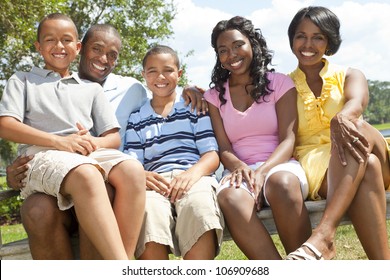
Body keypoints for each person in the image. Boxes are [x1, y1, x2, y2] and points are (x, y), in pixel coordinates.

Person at [5, 23, 205, 259]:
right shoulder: (27, 81)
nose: (103, 59)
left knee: (129, 171)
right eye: (97, 49)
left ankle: (119, 263)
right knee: (43, 206)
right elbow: (10, 124)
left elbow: (161, 89)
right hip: (60, 169)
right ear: (83, 49)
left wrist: (188, 89)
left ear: (75, 47)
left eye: (112, 55)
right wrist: (55, 146)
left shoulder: (128, 88)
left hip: (100, 173)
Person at [0, 13, 146, 260]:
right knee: (88, 174)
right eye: (50, 40)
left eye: (66, 40)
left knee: (132, 170)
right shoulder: (22, 80)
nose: (59, 46)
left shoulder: (91, 88)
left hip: (84, 154)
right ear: (38, 47)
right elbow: (5, 125)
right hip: (43, 154)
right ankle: (120, 268)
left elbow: (112, 138)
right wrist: (60, 141)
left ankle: (126, 259)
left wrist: (93, 141)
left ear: (77, 47)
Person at [285, 6, 390, 260]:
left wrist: (342, 117)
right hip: (319, 161)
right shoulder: (283, 85)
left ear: (329, 41)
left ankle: (324, 236)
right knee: (369, 166)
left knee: (356, 129)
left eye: (318, 37)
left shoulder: (350, 74)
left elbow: (358, 102)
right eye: (301, 36)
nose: (308, 43)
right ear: (291, 39)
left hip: (359, 141)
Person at [203, 16, 311, 260]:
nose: (231, 54)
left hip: (280, 164)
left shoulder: (280, 83)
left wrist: (262, 172)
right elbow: (224, 147)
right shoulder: (213, 96)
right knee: (229, 196)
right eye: (223, 50)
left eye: (238, 45)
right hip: (238, 170)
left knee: (281, 184)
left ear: (253, 44)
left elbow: (288, 140)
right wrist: (242, 168)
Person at [124, 45, 224, 260]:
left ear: (179, 74)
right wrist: (142, 176)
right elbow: (133, 163)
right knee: (147, 212)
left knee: (199, 206)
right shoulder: (137, 118)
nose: (160, 76)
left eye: (168, 70)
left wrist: (191, 175)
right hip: (155, 182)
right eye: (152, 71)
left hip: (193, 176)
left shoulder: (194, 108)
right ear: (143, 75)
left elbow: (211, 155)